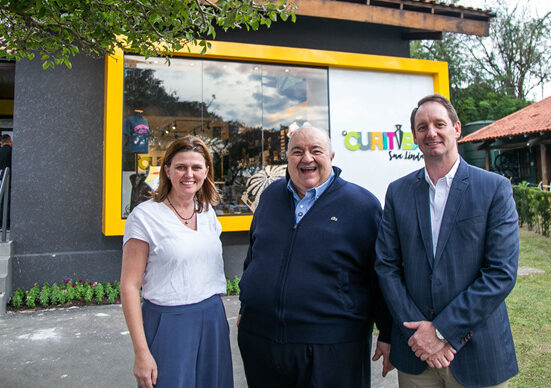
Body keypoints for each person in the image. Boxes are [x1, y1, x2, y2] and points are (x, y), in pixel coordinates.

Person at [375, 94, 519, 387]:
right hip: (415, 355)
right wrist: (418, 336)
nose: (431, 132)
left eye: (439, 124)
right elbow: (387, 266)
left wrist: (440, 331)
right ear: (415, 137)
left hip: (476, 351)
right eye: (422, 127)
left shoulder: (494, 189)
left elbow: (500, 273)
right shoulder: (398, 192)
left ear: (456, 129)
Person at [237, 125, 393, 388]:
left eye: (315, 150)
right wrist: (246, 303)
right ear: (287, 159)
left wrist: (388, 333)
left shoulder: (361, 205)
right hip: (261, 341)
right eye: (297, 151)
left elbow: (380, 274)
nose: (306, 158)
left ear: (331, 157)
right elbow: (255, 254)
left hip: (332, 347)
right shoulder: (270, 196)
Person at [121, 136, 233, 388]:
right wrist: (141, 352)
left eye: (196, 167)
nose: (189, 174)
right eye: (181, 167)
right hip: (168, 323)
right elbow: (129, 286)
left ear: (206, 171)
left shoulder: (207, 213)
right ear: (168, 170)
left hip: (213, 318)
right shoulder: (145, 217)